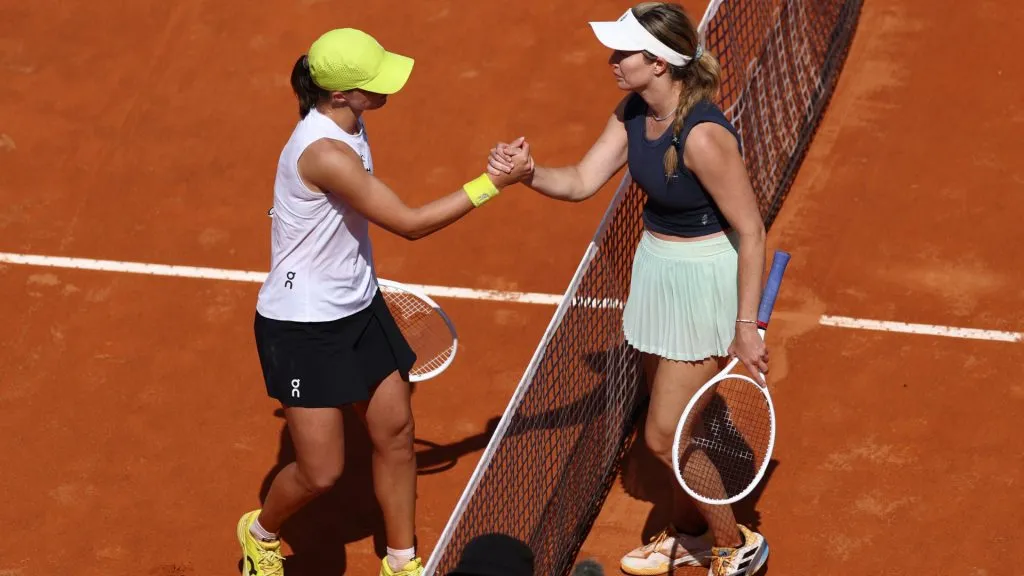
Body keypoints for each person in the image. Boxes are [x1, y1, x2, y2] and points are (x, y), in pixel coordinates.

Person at [237, 28, 531, 576]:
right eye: (370, 85)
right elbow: (410, 224)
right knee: (321, 472)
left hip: (360, 308)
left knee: (395, 433)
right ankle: (260, 533)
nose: (383, 90)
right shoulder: (325, 153)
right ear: (340, 95)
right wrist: (493, 182)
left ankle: (401, 563)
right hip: (303, 328)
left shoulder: (352, 118)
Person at [488, 3, 769, 576]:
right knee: (677, 423)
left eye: (625, 53)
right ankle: (689, 533)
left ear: (661, 63)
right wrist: (529, 174)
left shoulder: (704, 136)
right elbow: (582, 181)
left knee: (664, 435)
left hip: (704, 281)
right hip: (657, 272)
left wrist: (744, 327)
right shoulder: (633, 111)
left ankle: (733, 545)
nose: (613, 61)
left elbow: (751, 229)